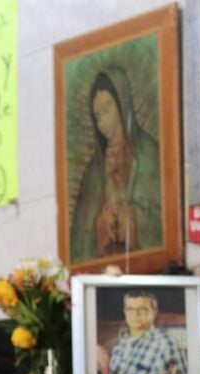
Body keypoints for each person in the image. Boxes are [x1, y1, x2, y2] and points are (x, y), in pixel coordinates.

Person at [71, 67, 162, 263]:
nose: (103, 121)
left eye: (107, 108)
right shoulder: (94, 171)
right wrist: (99, 225)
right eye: (97, 115)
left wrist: (134, 219)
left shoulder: (149, 154)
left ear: (122, 103)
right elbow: (80, 237)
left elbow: (162, 217)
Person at [108, 291, 186, 374]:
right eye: (130, 309)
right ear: (125, 312)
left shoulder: (165, 343)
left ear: (154, 312)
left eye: (143, 309)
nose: (136, 314)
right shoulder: (119, 344)